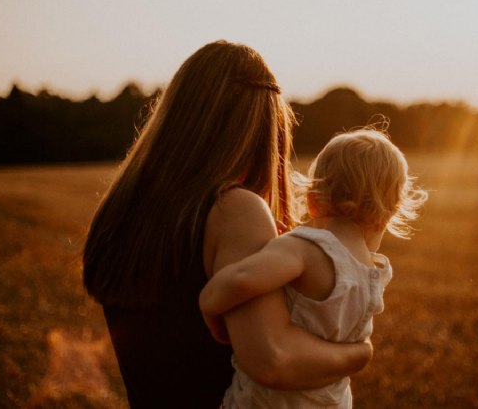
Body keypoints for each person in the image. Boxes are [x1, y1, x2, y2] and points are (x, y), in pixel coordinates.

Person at [82, 40, 373, 408]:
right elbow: (273, 359)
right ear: (265, 131)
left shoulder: (122, 211)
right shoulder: (233, 210)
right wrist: (358, 354)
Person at [200, 128, 428, 408]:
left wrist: (208, 303)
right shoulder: (374, 274)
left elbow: (243, 278)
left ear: (312, 201)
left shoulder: (307, 248)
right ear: (386, 217)